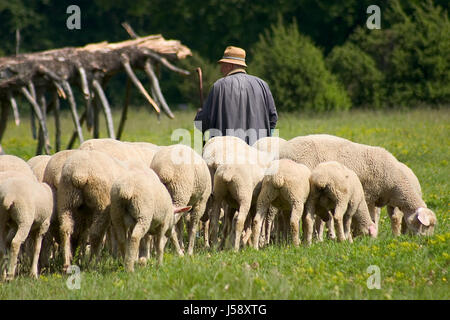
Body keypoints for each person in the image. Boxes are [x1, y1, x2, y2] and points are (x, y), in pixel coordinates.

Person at [194, 46, 278, 145]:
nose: (221, 69)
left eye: (223, 65)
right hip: (258, 152)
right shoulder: (262, 85)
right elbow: (273, 119)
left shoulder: (219, 86)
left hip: (227, 153)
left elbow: (203, 123)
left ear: (230, 66)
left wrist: (199, 115)